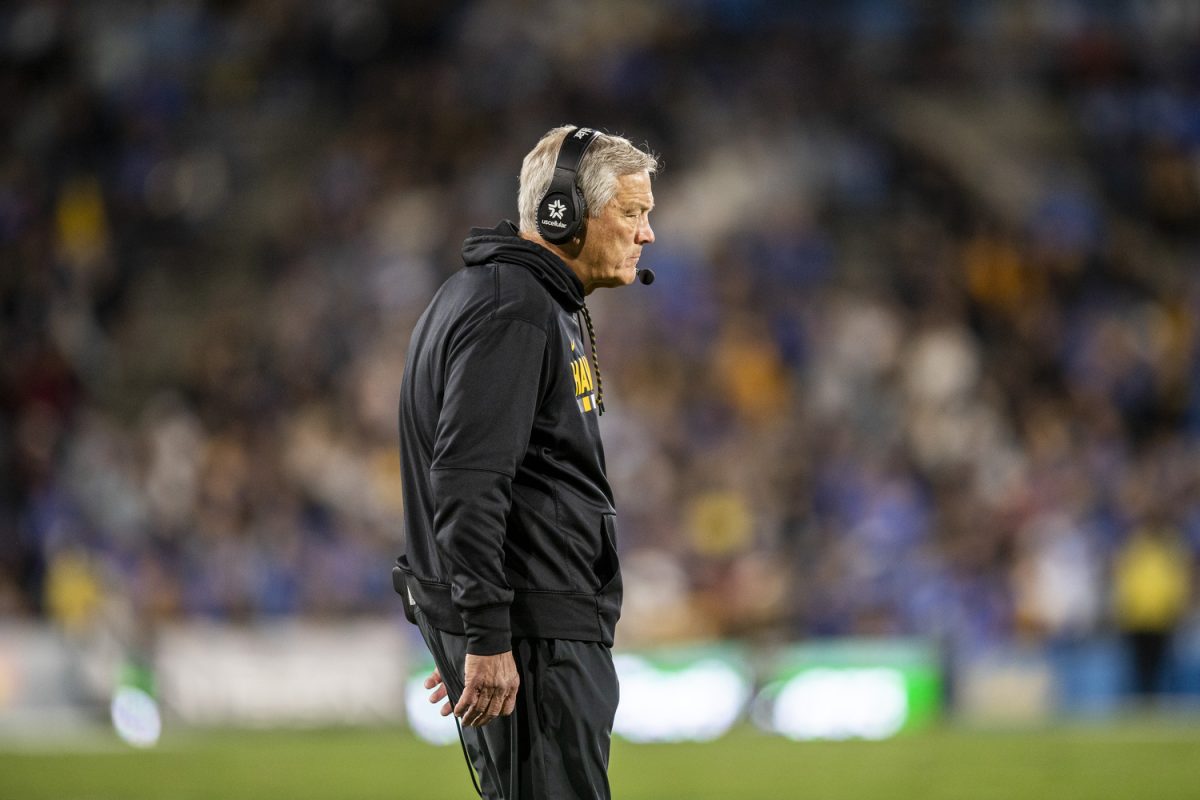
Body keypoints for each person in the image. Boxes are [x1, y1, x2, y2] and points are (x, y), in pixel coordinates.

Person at [393, 125, 658, 799]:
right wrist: (484, 635)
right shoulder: (515, 310)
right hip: (535, 636)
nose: (646, 234)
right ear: (562, 212)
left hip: (536, 630)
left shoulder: (514, 300)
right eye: (632, 213)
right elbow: (467, 480)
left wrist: (470, 622)